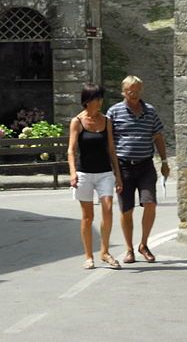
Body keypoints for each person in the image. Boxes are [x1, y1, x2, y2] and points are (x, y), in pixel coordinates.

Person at [107, 75, 170, 265]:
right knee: (126, 210)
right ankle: (129, 249)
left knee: (150, 203)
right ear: (123, 91)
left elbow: (158, 136)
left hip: (145, 165)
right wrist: (114, 171)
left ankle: (143, 244)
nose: (133, 94)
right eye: (129, 91)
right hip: (124, 166)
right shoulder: (114, 112)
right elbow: (109, 142)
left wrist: (165, 161)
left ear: (141, 91)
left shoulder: (150, 111)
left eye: (136, 90)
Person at [67, 83, 123, 270]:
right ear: (87, 101)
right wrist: (73, 172)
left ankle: (105, 252)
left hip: (104, 173)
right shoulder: (77, 121)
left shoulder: (106, 121)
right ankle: (88, 256)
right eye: (97, 99)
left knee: (107, 208)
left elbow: (111, 150)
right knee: (88, 216)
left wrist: (118, 176)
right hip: (84, 173)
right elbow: (71, 150)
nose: (100, 102)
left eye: (101, 99)